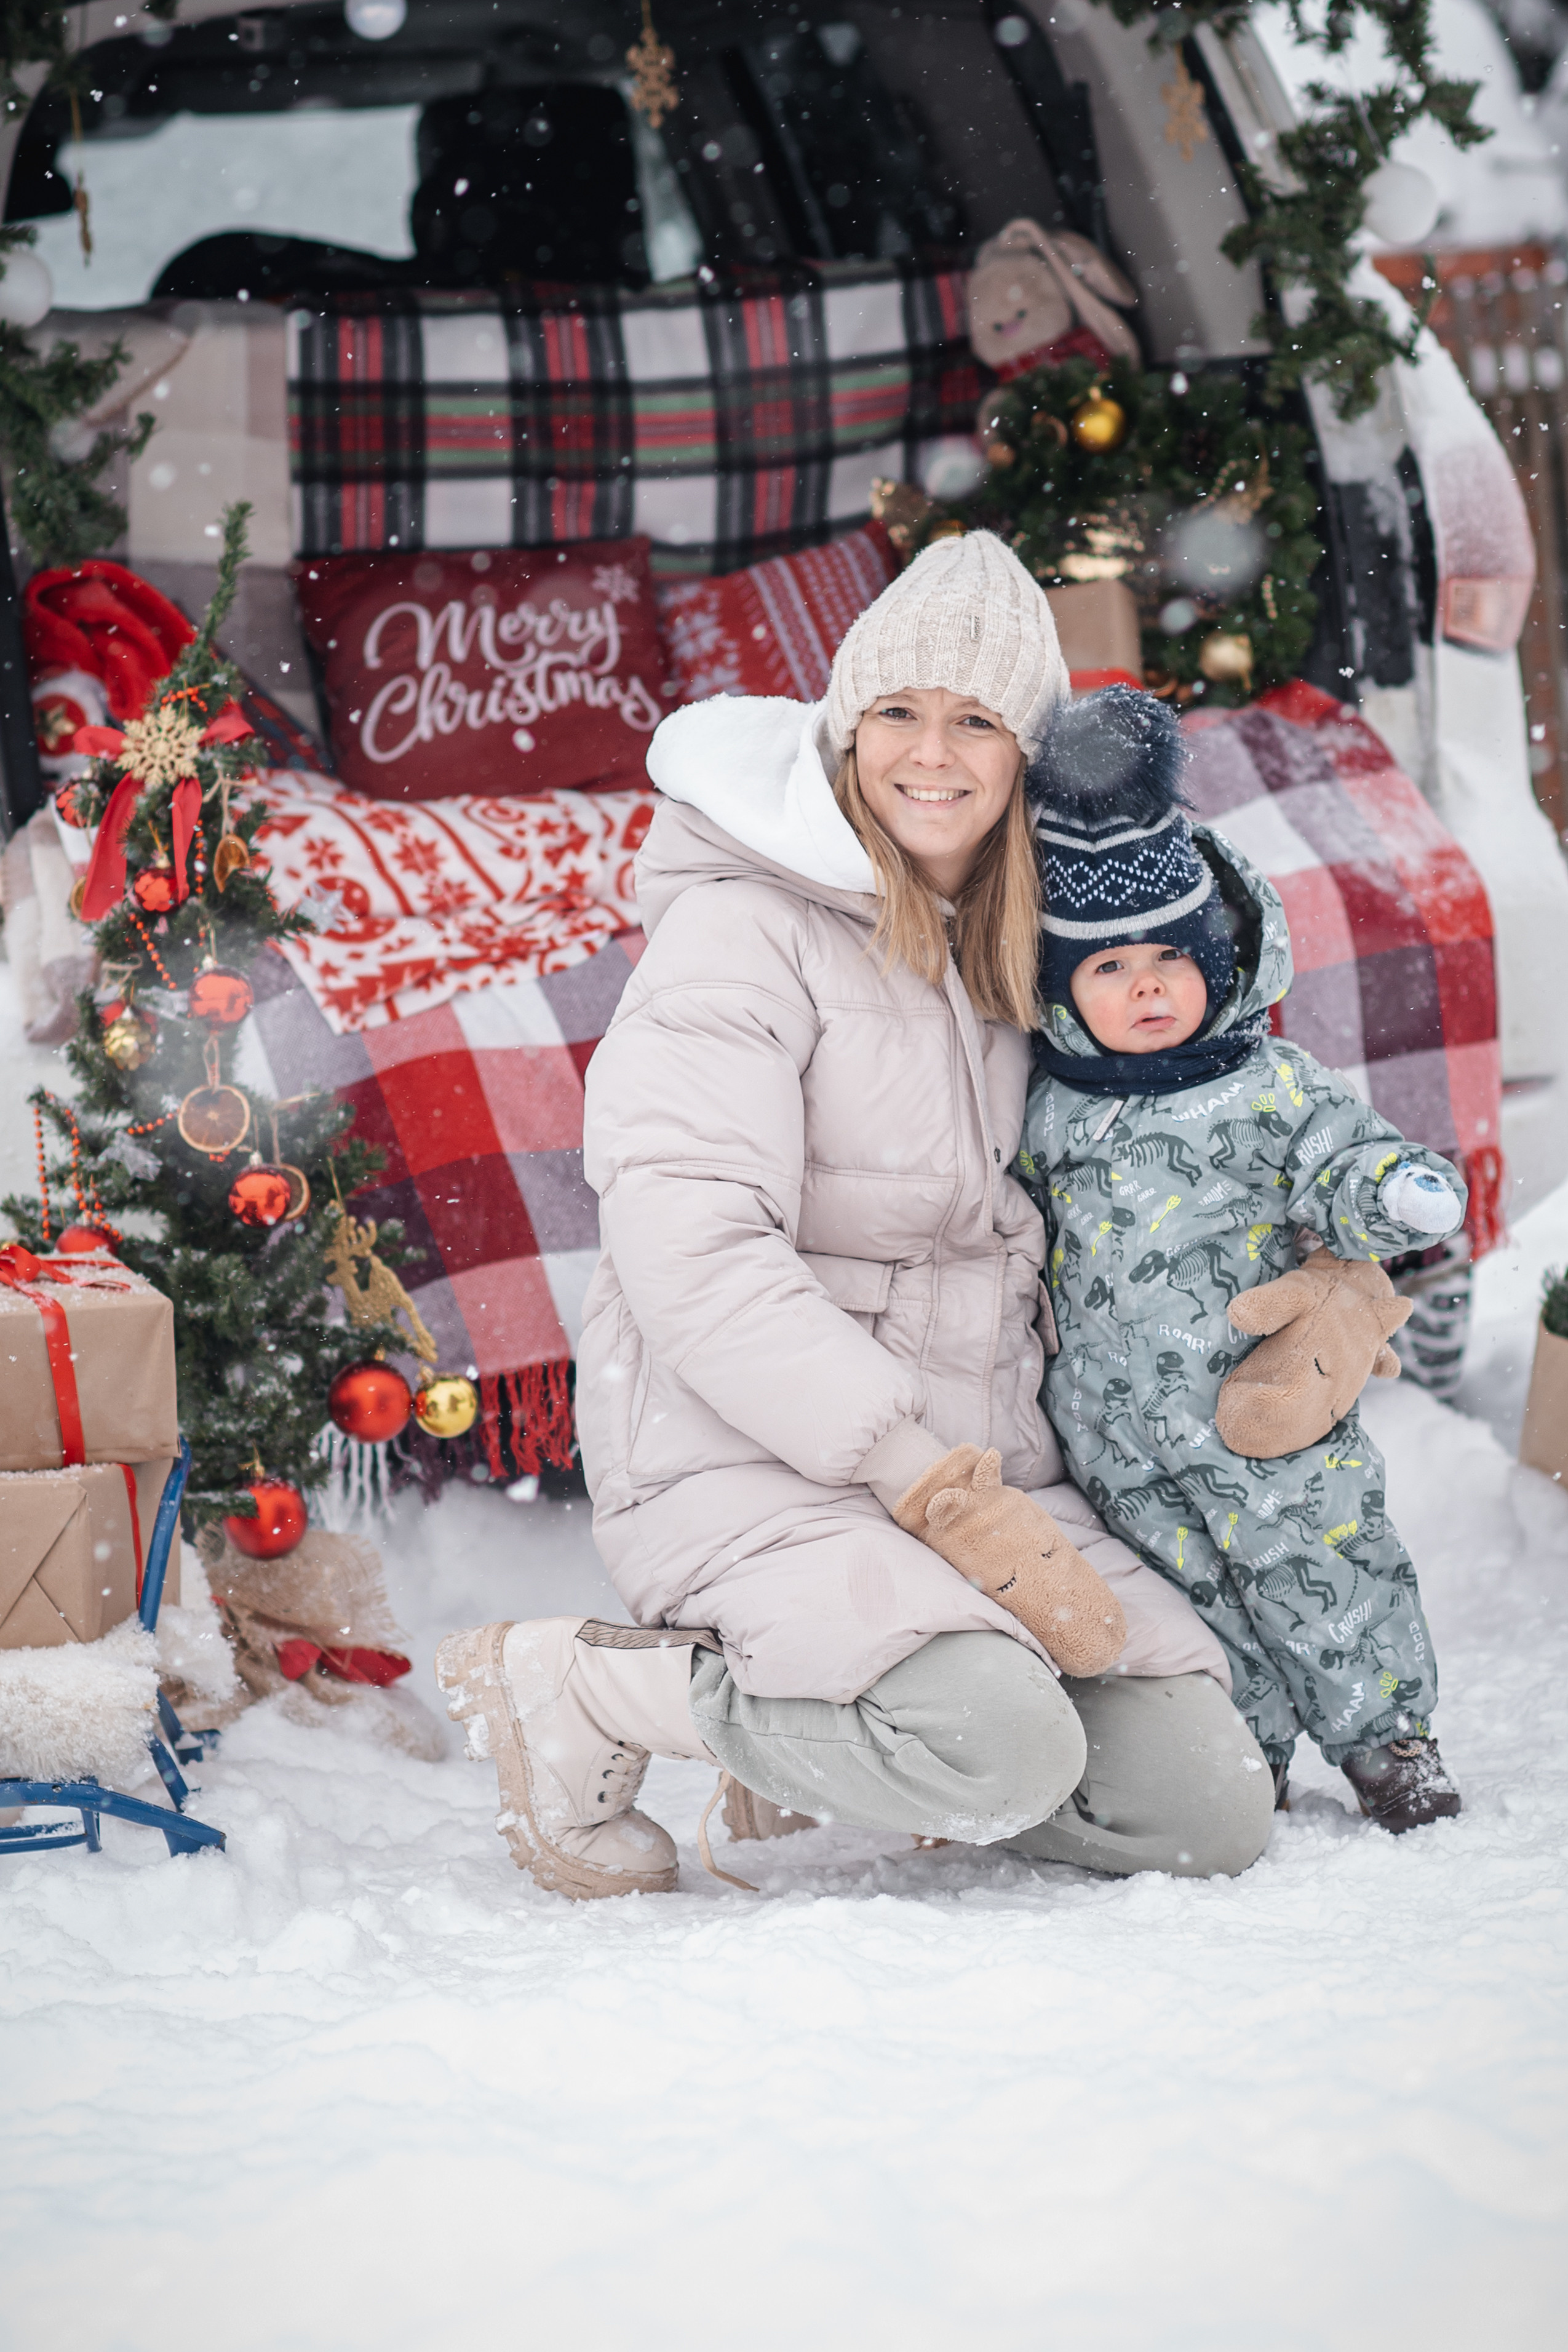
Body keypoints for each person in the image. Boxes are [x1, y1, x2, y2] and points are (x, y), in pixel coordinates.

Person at [437, 532, 1276, 1901]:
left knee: (1203, 1799)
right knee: (996, 1748)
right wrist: (917, 1479)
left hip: (977, 1464)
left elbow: (1221, 976)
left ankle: (848, 1728)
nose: (929, 753)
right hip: (744, 1456)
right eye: (895, 710)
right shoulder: (741, 934)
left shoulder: (1022, 938)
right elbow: (691, 1248)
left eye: (976, 719)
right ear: (843, 727)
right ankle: (586, 1691)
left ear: (1027, 754)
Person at [1017, 685, 1465, 1833]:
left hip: (1258, 1403)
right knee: (1192, 1595)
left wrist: (1389, 1190)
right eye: (1107, 971)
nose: (1147, 986)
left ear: (1216, 956)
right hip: (1113, 1431)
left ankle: (1386, 1739)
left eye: (1170, 956)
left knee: (1321, 1566)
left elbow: (1340, 1158)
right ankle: (1246, 1748)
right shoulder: (1050, 1109)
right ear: (1063, 992)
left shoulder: (1263, 1084)